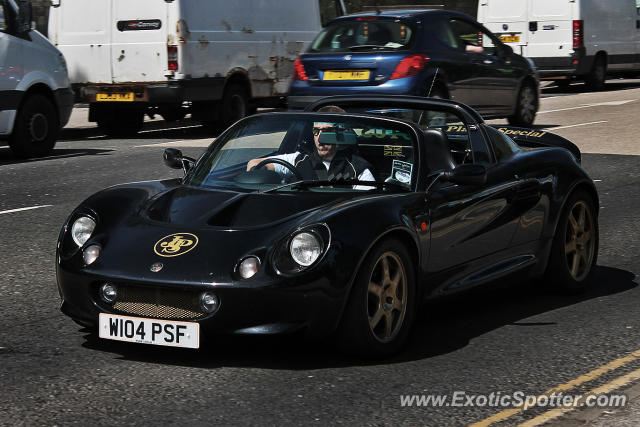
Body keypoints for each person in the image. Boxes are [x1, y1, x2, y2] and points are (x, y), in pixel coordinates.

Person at [246, 106, 375, 188]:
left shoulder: (358, 170)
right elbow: (255, 163)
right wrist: (258, 174)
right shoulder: (298, 159)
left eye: (326, 132)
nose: (319, 138)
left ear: (340, 135)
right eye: (316, 132)